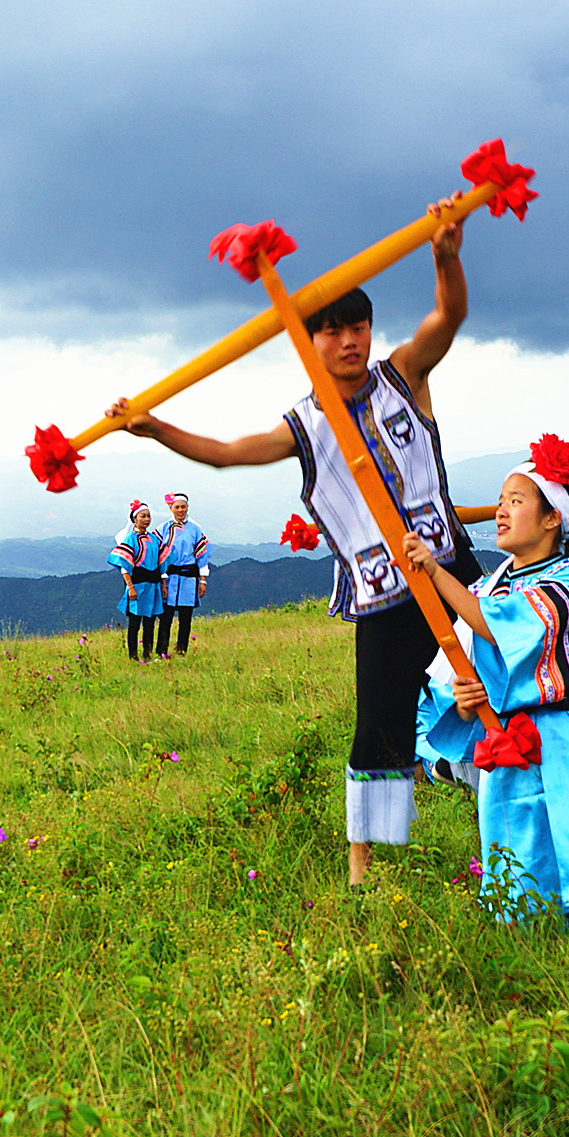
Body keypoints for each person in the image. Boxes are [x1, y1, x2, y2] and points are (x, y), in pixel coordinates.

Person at [109, 203, 475, 884]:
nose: (348, 342)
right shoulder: (304, 426)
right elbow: (224, 454)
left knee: (497, 680)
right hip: (383, 591)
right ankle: (362, 861)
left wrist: (445, 256)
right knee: (379, 720)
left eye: (356, 327)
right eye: (331, 331)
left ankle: (506, 807)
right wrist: (155, 428)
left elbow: (446, 318)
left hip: (452, 564)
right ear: (309, 343)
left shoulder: (404, 376)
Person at [403, 445, 569, 928]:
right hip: (513, 751)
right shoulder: (486, 588)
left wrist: (436, 570)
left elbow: (496, 623)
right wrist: (466, 704)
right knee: (519, 912)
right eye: (501, 499)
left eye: (517, 500)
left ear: (553, 518)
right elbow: (466, 674)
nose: (502, 510)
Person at [110, 500, 169, 661]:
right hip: (138, 584)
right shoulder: (130, 539)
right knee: (135, 623)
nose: (147, 519)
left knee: (149, 622)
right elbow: (125, 565)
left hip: (153, 585)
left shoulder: (154, 538)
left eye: (148, 516)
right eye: (143, 516)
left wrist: (163, 585)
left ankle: (147, 655)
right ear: (135, 518)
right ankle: (133, 656)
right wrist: (130, 587)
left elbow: (161, 563)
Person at [157, 492, 214, 655]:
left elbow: (202, 556)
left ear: (188, 508)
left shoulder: (195, 529)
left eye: (183, 507)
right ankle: (161, 651)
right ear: (171, 508)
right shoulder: (163, 528)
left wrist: (203, 581)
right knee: (165, 618)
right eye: (177, 507)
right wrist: (161, 579)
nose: (180, 510)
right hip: (169, 577)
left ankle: (181, 651)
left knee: (185, 618)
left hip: (189, 578)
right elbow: (158, 555)